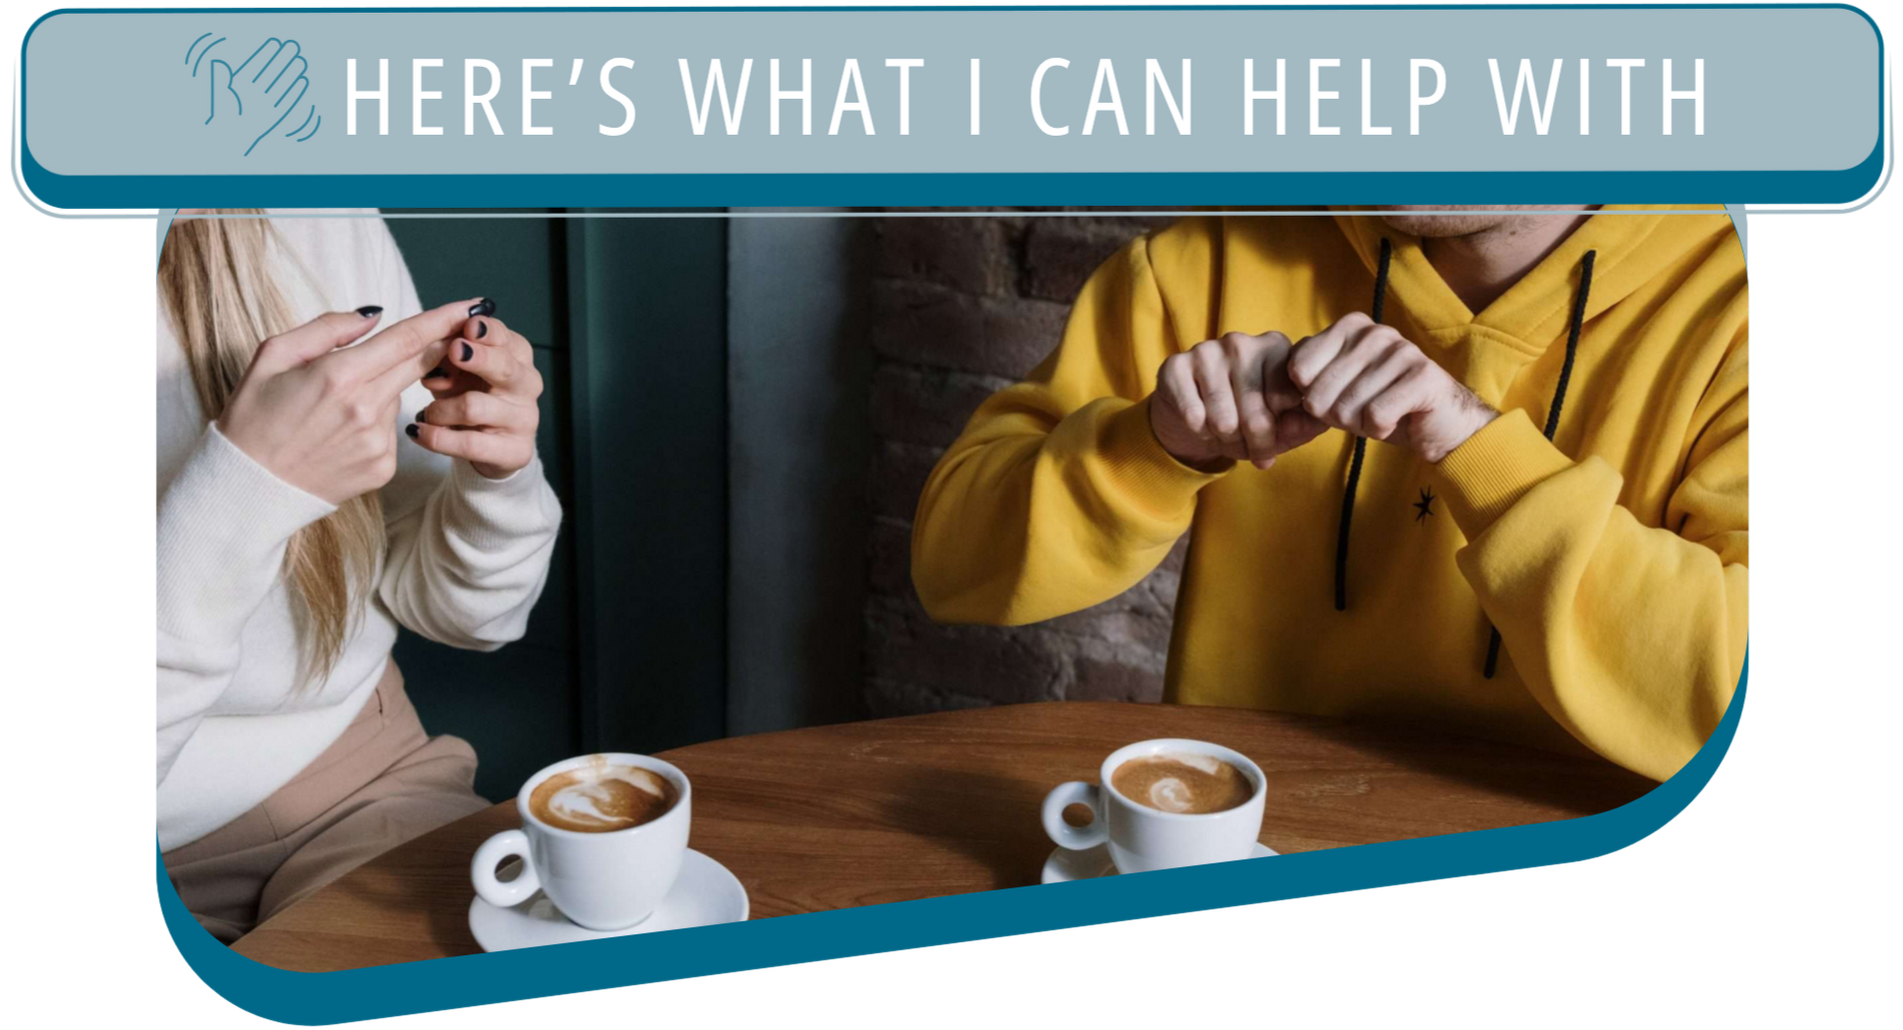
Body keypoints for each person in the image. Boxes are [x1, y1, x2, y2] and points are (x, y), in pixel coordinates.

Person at [912, 205, 1747, 783]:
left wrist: (1480, 453)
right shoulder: (1212, 257)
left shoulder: (1763, 303)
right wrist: (1151, 445)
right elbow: (952, 563)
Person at [155, 209, 564, 942]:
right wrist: (243, 495)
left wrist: (492, 478)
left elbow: (471, 618)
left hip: (370, 776)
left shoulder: (304, 199)